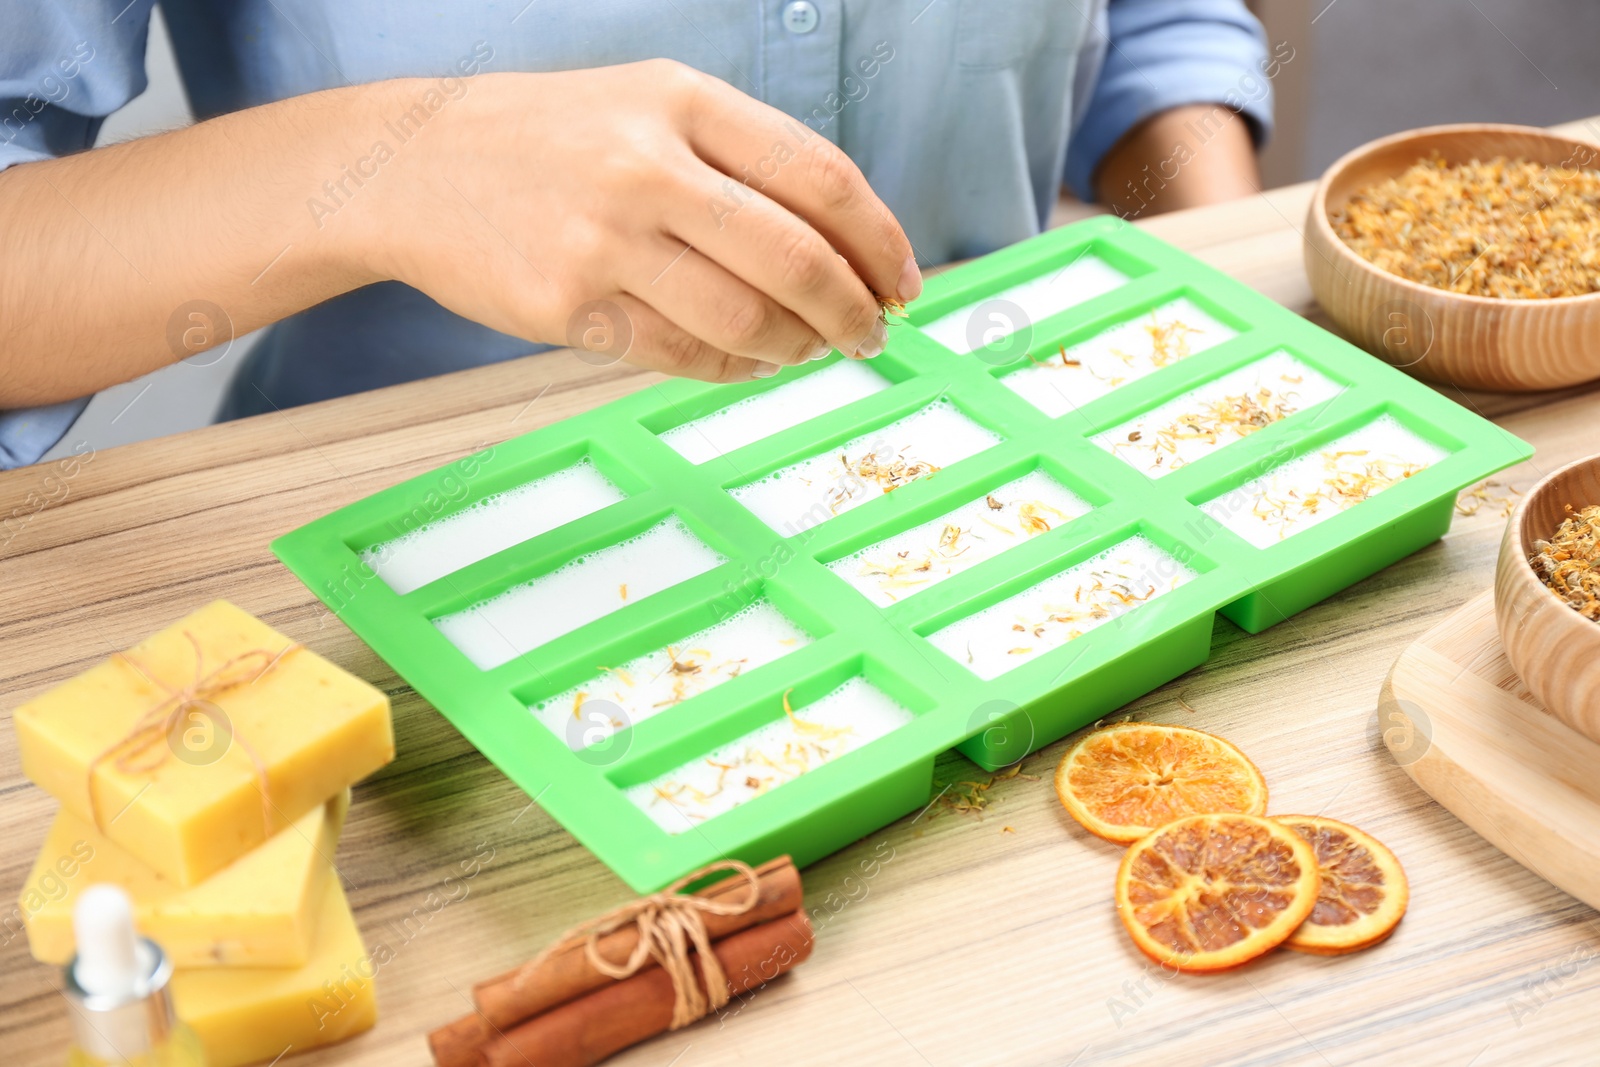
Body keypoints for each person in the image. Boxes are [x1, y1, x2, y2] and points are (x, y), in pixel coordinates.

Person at [0, 0, 1275, 469]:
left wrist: (1224, 289)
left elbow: (1158, 22)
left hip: (1009, 499)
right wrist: (400, 167)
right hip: (451, 584)